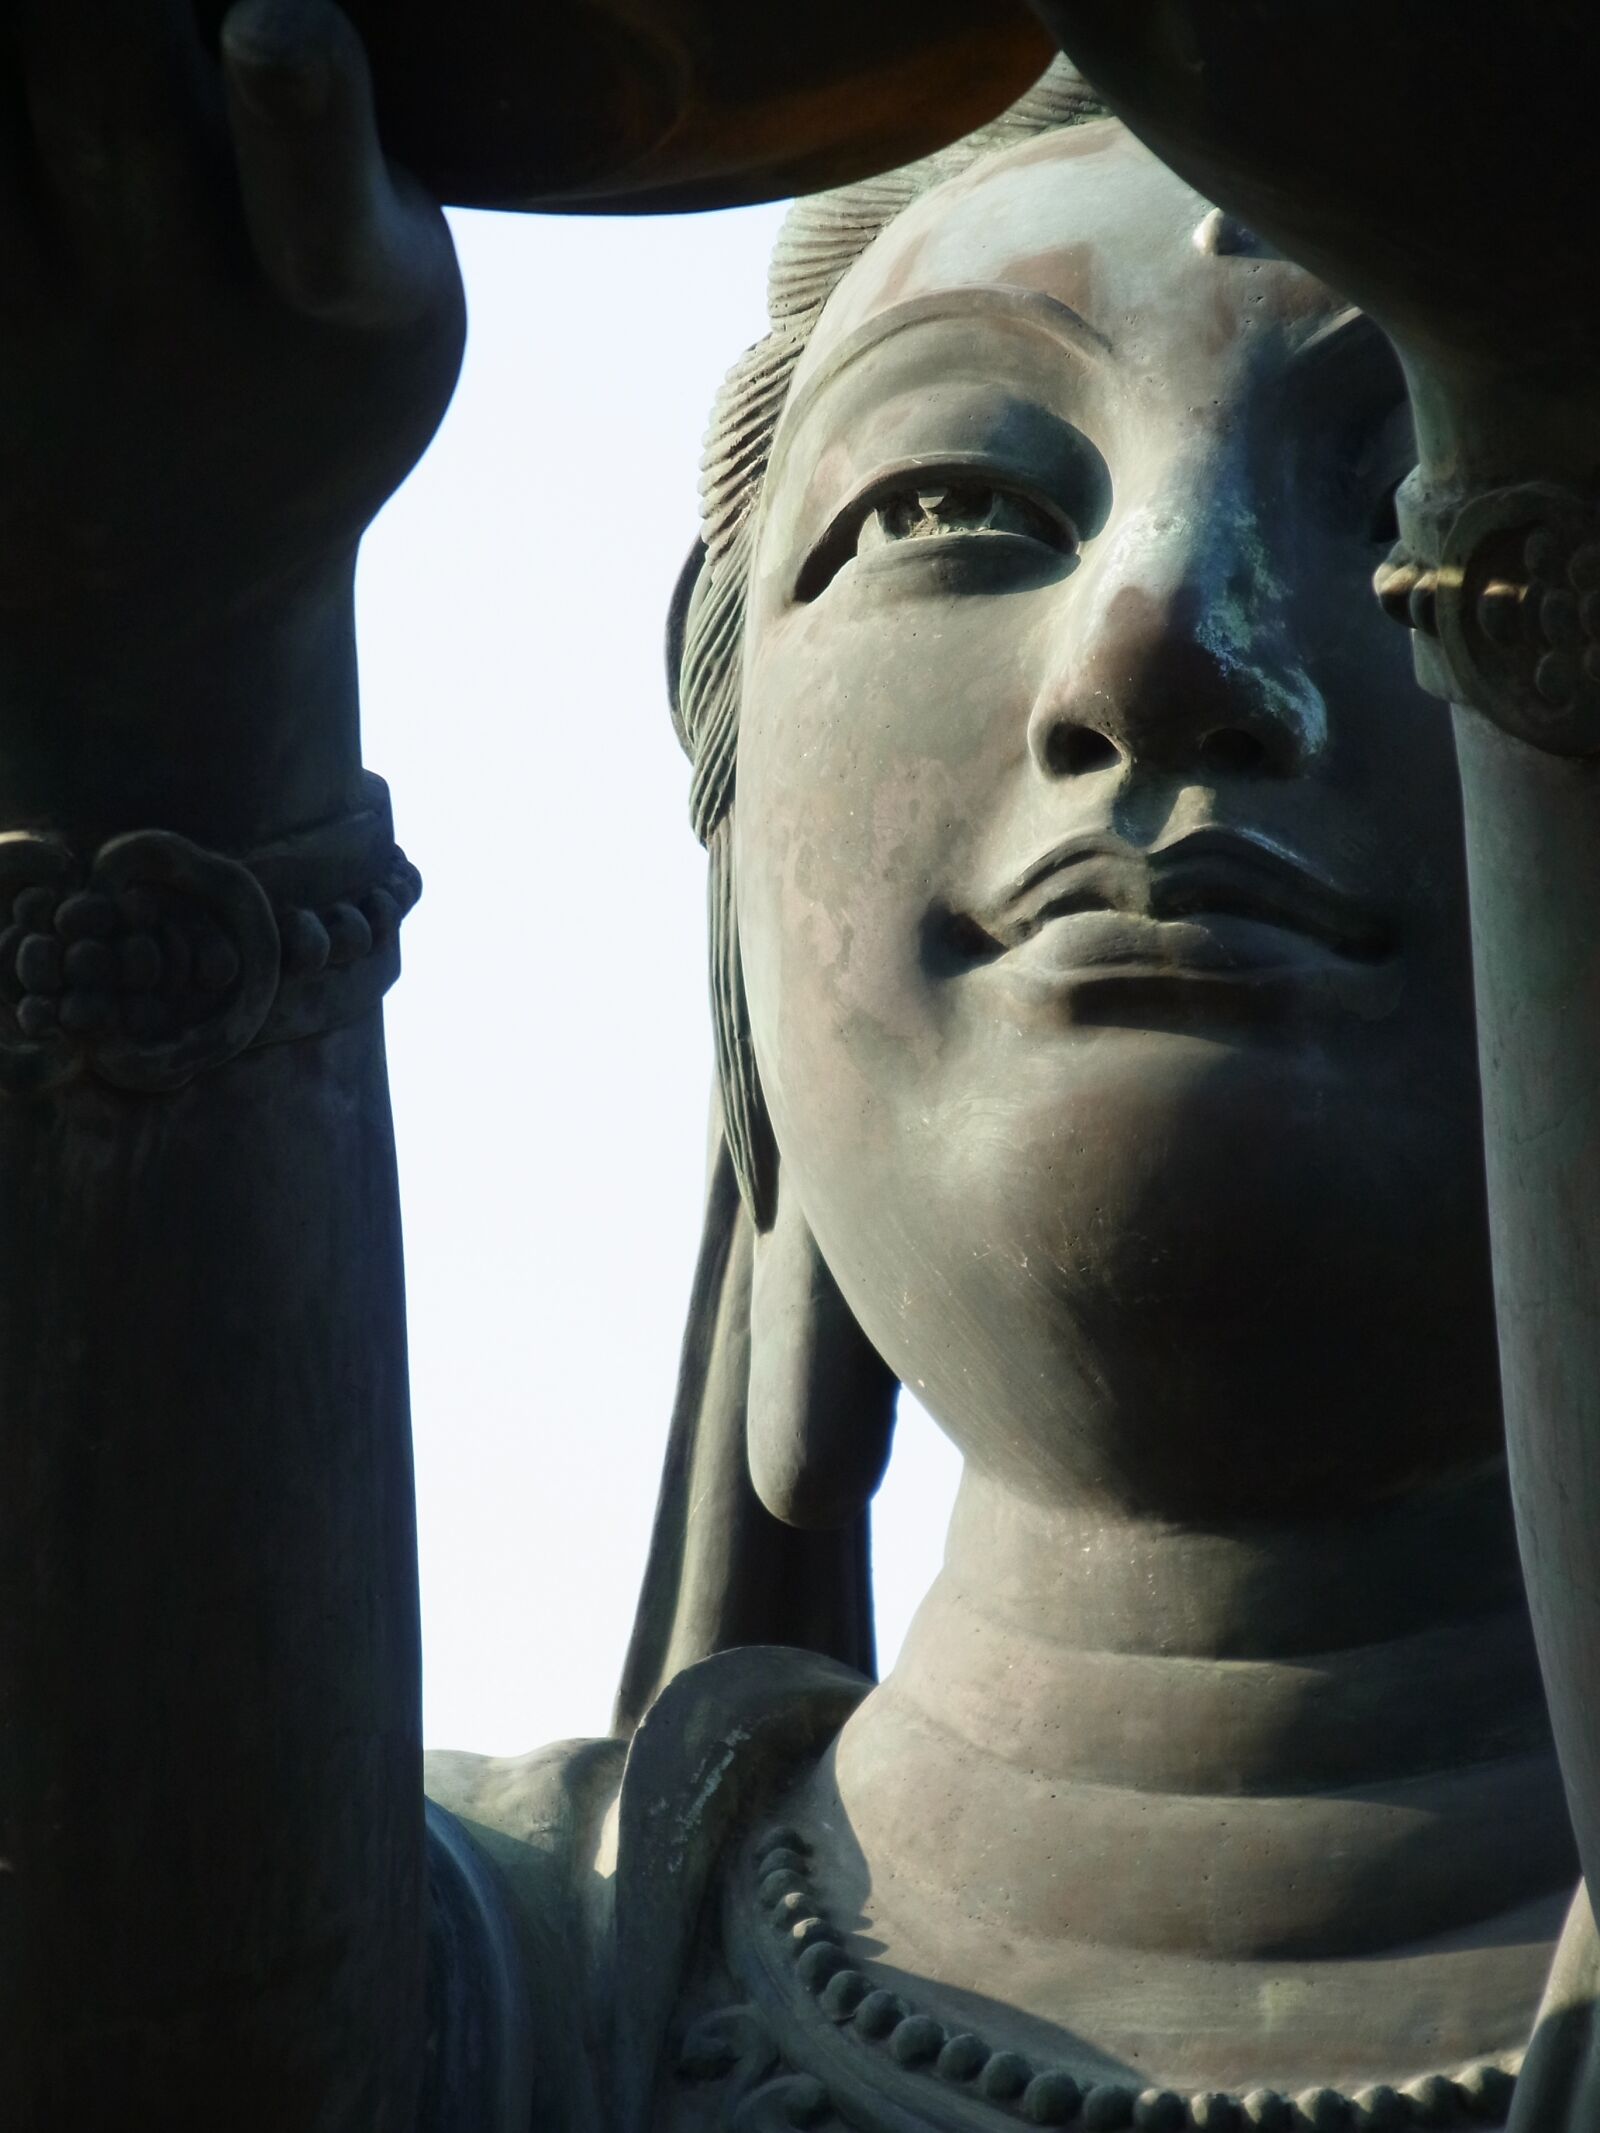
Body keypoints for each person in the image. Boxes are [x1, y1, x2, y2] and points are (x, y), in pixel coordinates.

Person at [1, 9, 1593, 2133]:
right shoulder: (509, 2017)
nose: (1159, 648)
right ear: (734, 948)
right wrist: (177, 685)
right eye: (949, 501)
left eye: (1409, 497)